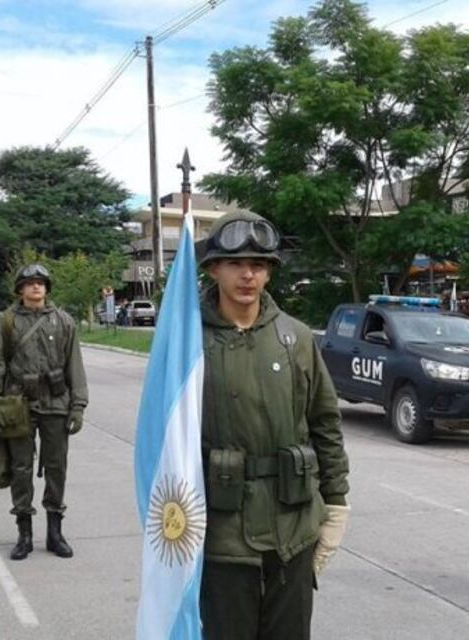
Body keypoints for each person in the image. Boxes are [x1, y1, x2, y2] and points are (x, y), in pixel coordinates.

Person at [197, 211, 350, 640]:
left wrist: (336, 502)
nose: (248, 275)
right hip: (221, 531)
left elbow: (324, 422)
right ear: (213, 268)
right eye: (236, 264)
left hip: (293, 523)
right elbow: (164, 437)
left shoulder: (296, 337)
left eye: (259, 265)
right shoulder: (189, 340)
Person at [0, 264, 88, 561]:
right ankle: (24, 532)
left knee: (56, 468)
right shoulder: (5, 322)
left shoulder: (63, 321)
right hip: (18, 405)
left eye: (41, 283)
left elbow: (74, 366)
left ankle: (54, 532)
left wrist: (78, 405)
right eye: (30, 283)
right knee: (21, 469)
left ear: (47, 288)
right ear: (20, 289)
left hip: (56, 404)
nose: (36, 287)